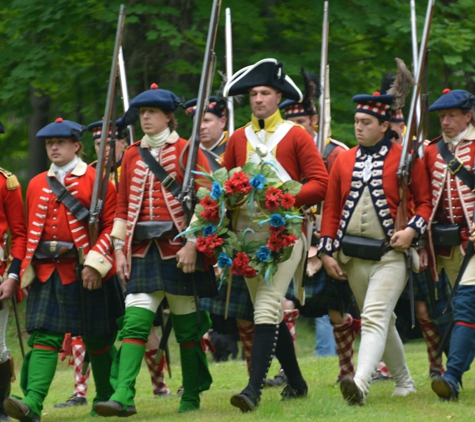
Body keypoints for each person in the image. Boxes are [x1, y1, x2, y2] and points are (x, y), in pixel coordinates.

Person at [93, 83, 216, 416]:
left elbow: (208, 202)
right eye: (141, 113)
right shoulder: (132, 153)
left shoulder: (188, 150)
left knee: (188, 330)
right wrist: (119, 251)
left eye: (151, 113)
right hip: (140, 252)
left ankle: (191, 395)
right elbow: (121, 207)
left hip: (179, 251)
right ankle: (123, 395)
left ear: (168, 117)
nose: (145, 118)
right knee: (134, 324)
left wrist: (192, 243)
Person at [222, 58, 328, 411]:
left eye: (264, 93)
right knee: (268, 310)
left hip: (287, 232)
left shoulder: (296, 136)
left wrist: (284, 197)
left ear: (278, 96)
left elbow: (320, 184)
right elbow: (225, 185)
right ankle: (296, 382)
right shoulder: (238, 138)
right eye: (253, 93)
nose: (257, 99)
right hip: (247, 236)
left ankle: (252, 390)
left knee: (266, 307)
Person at [3, 117, 124, 422]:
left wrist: (95, 264)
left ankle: (107, 399)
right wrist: (24, 272)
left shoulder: (98, 181)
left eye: (60, 143)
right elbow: (30, 232)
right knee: (43, 337)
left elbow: (113, 226)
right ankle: (32, 402)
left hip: (87, 271)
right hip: (47, 272)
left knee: (99, 338)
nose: (54, 148)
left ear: (76, 146)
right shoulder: (36, 183)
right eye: (48, 143)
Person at [319, 90, 432, 405]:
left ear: (384, 125)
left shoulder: (406, 159)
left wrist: (412, 230)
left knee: (373, 317)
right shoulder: (343, 159)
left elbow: (425, 203)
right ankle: (405, 382)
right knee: (384, 320)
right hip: (352, 256)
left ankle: (360, 383)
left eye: (365, 122)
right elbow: (331, 209)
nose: (358, 127)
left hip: (391, 256)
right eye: (356, 121)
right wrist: (327, 252)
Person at [54, 119, 170, 409]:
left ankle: (159, 386)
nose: (103, 149)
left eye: (109, 143)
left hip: (136, 256)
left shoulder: (134, 167)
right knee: (86, 327)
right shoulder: (88, 175)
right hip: (101, 261)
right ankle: (81, 390)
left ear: (121, 142)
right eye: (97, 144)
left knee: (145, 327)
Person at [184, 97, 256, 374]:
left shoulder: (236, 153)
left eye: (207, 120)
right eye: (196, 121)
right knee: (196, 315)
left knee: (244, 316)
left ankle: (254, 374)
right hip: (195, 244)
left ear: (222, 122)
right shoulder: (185, 155)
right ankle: (196, 375)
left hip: (231, 243)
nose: (201, 127)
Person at [425, 88, 475, 400]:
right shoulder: (432, 151)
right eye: (442, 117)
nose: (445, 122)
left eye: (452, 116)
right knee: (457, 310)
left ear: (468, 116)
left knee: (466, 307)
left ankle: (452, 375)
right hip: (447, 246)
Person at [0, 120, 27, 422]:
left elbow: (20, 235)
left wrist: (13, 276)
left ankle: (1, 408)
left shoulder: (7, 182)